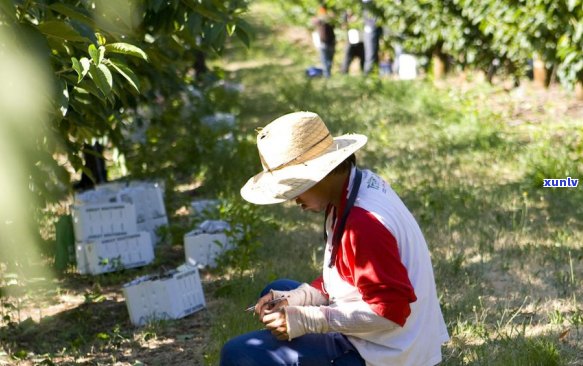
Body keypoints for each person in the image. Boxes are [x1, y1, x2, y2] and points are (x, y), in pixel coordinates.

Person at [220, 111, 449, 365]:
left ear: (322, 173)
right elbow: (345, 275)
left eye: (294, 187)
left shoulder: (363, 224)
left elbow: (391, 311)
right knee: (279, 294)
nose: (292, 199)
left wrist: (309, 320)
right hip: (387, 337)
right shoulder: (355, 186)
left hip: (387, 352)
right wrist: (297, 300)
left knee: (237, 354)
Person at [313, 3, 336, 78]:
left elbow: (334, 25)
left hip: (331, 43)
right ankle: (327, 76)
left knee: (329, 61)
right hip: (324, 43)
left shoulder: (330, 19)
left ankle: (327, 75)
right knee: (325, 61)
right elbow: (315, 21)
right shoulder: (319, 20)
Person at [362, 0, 383, 75]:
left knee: (374, 54)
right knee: (370, 56)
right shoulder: (367, 3)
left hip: (375, 28)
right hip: (370, 29)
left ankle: (374, 75)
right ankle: (368, 77)